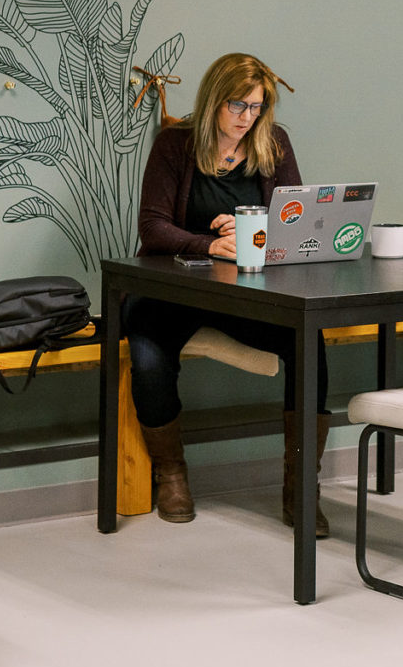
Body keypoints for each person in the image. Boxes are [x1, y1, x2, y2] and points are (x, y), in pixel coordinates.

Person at [129, 52, 332, 532]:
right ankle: (171, 473)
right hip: (171, 290)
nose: (246, 118)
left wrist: (248, 231)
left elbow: (293, 222)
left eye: (256, 108)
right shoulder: (175, 142)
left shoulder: (273, 142)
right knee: (148, 357)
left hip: (245, 293)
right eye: (237, 106)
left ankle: (301, 480)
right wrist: (210, 243)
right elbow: (153, 228)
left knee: (308, 341)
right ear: (214, 100)